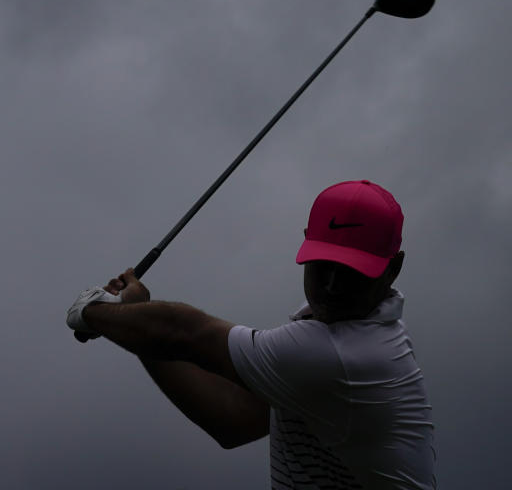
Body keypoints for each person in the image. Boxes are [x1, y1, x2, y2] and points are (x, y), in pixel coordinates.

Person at [67, 179, 437, 490]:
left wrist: (93, 311)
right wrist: (134, 324)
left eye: (353, 271)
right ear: (306, 242)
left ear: (394, 268)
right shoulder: (326, 330)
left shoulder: (346, 355)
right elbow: (234, 418)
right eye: (325, 264)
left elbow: (183, 333)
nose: (333, 285)